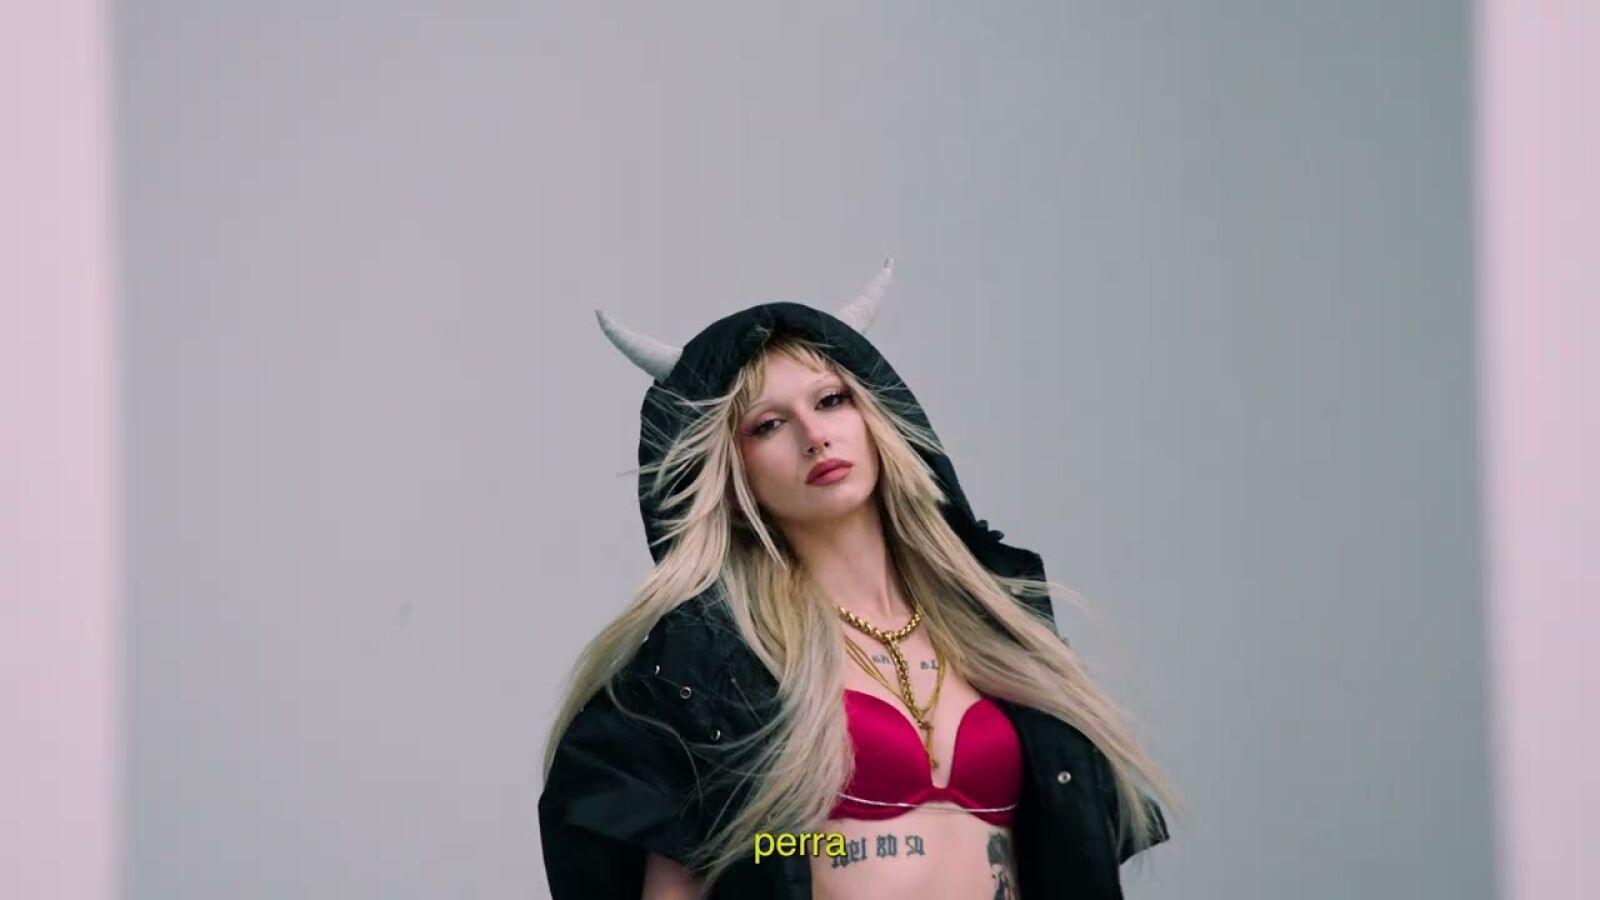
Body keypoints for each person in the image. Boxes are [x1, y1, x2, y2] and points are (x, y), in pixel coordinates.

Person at [538, 260, 1178, 899]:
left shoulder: (998, 622)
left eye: (830, 400)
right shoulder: (711, 670)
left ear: (874, 415)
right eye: (768, 424)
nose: (814, 436)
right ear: (731, 473)